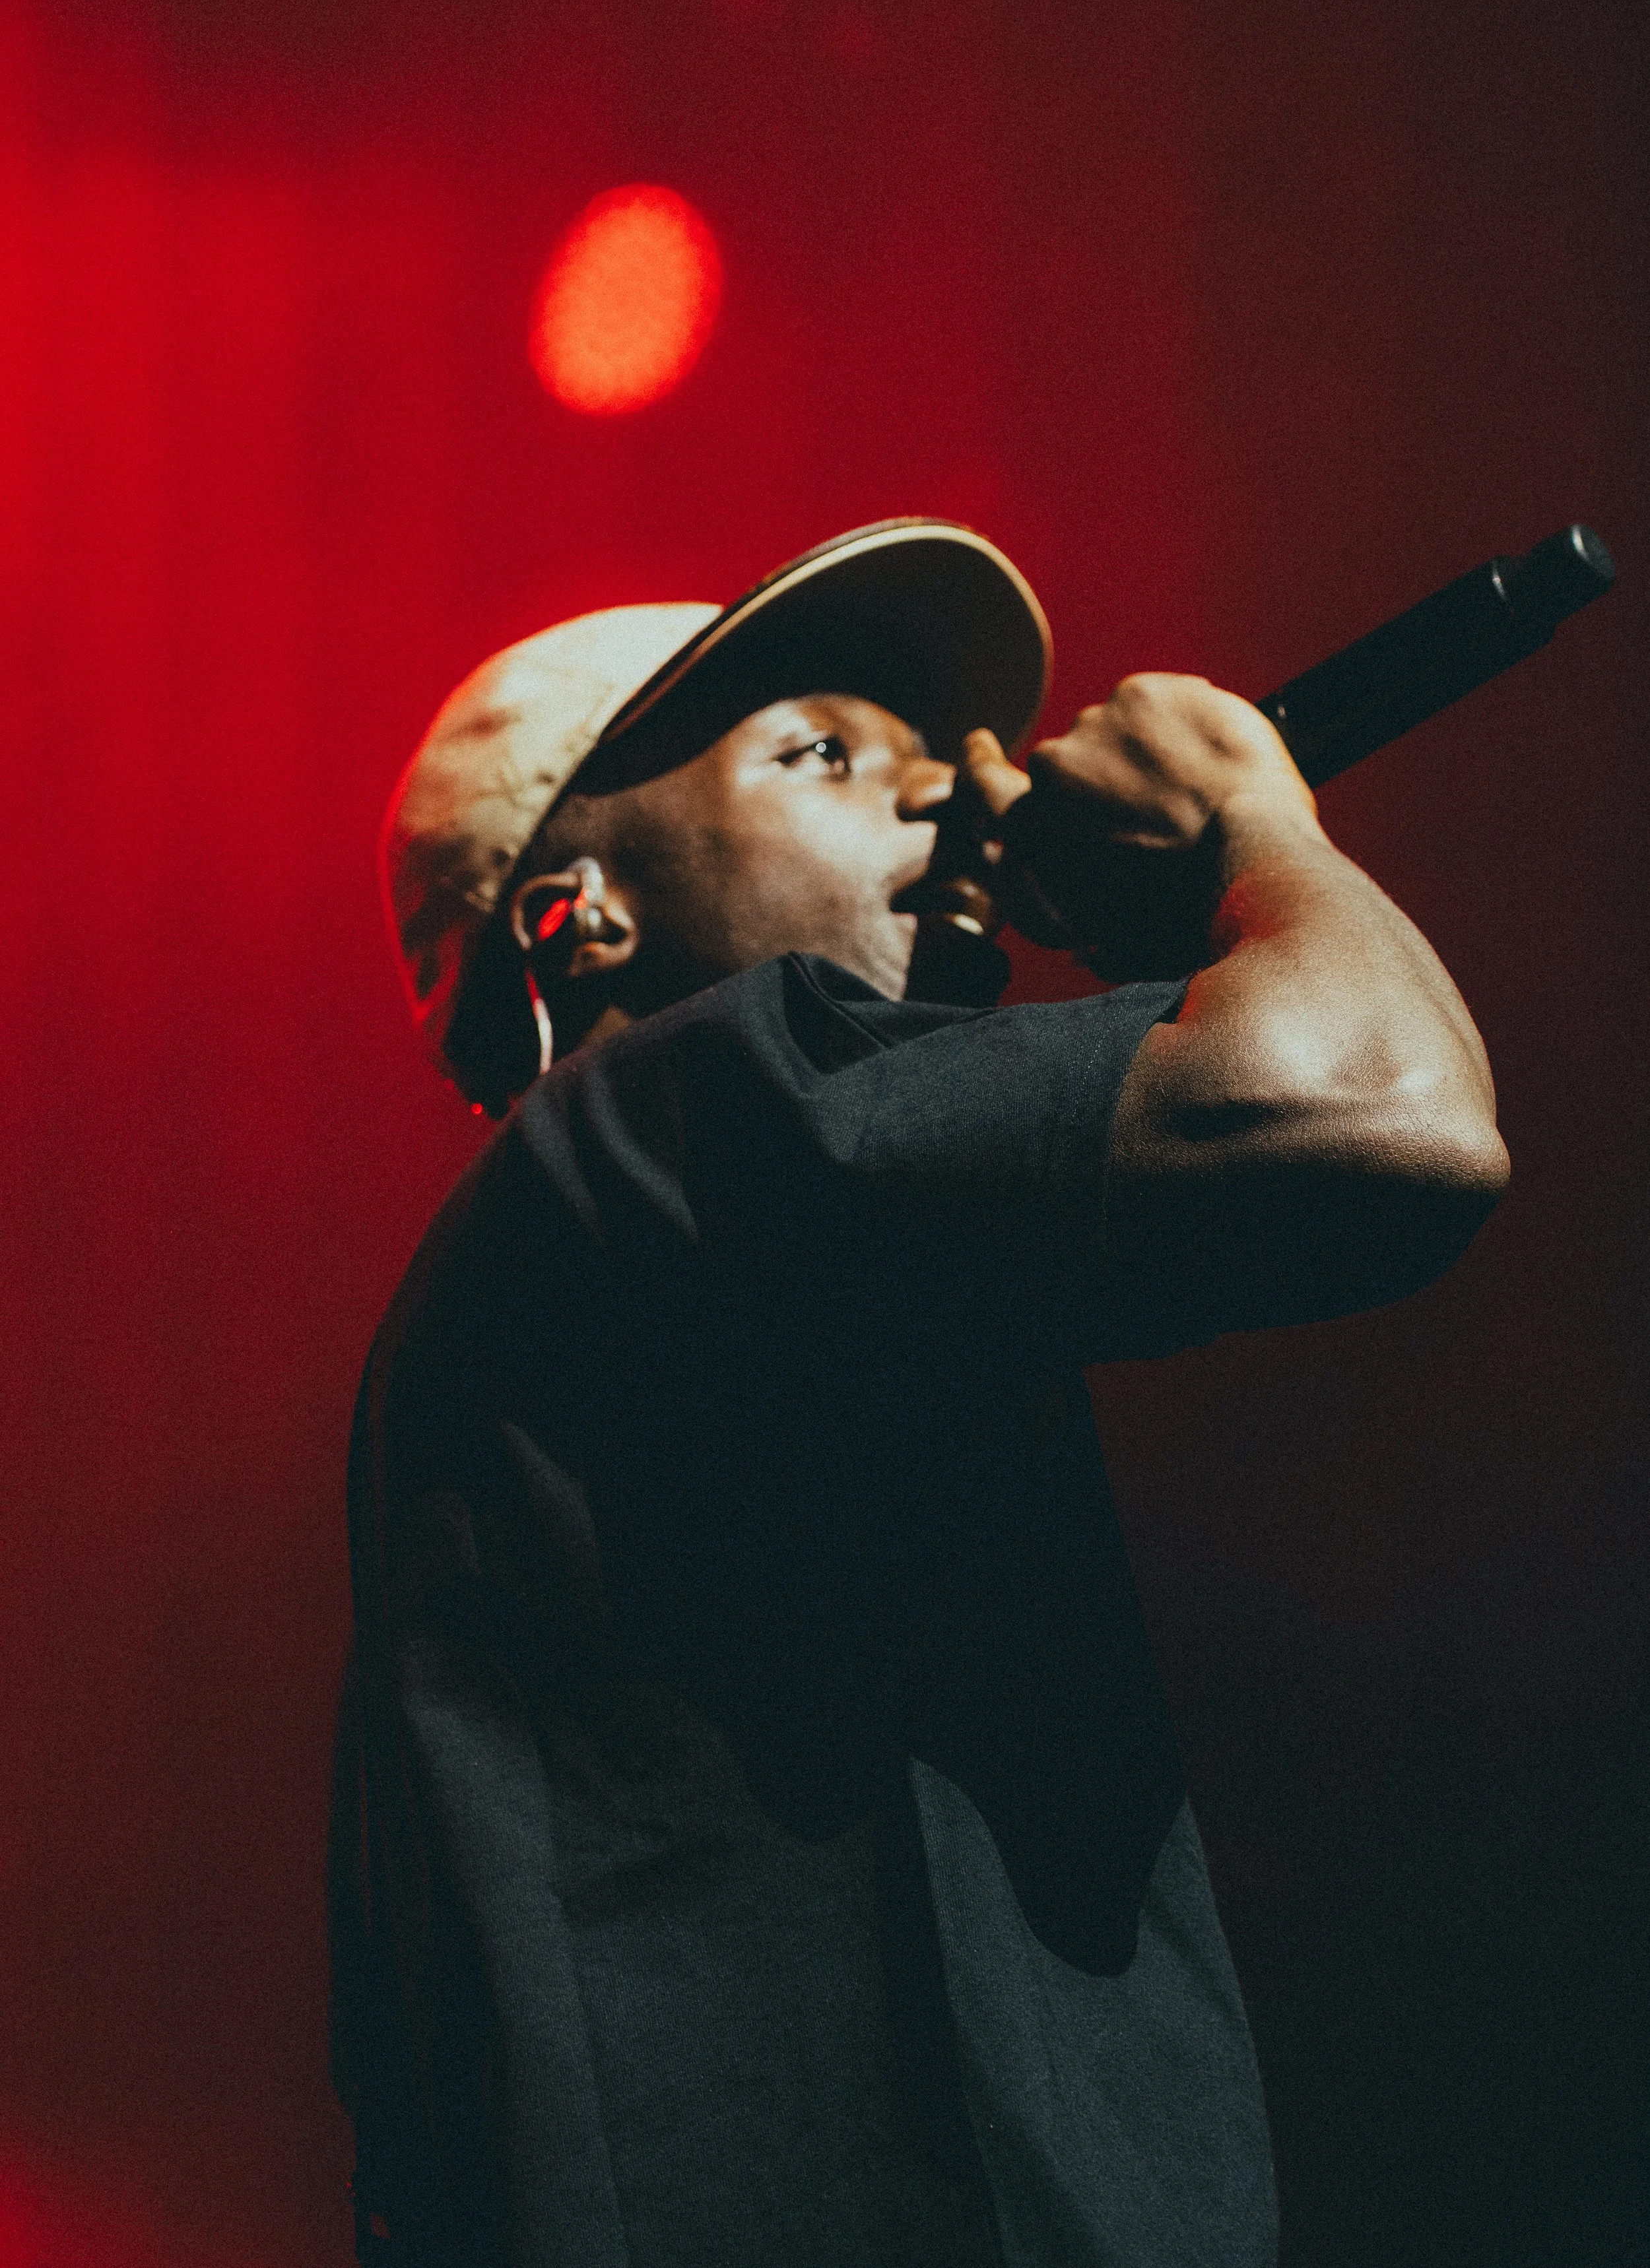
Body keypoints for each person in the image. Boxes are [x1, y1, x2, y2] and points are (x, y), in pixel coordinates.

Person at [329, 518, 1507, 2268]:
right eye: (822, 751)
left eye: (934, 746)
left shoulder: (701, 1247)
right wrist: (1242, 828)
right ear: (578, 922)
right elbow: (1379, 1111)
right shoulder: (653, 1116)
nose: (961, 790)